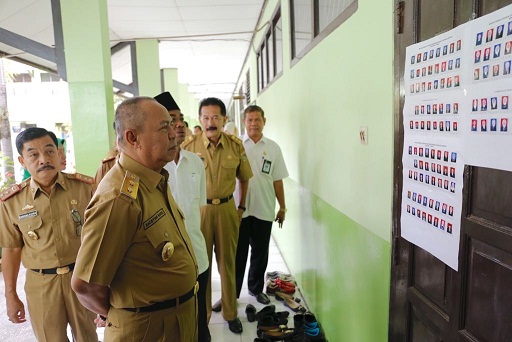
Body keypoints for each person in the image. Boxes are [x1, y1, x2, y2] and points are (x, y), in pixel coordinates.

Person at [71, 97, 198, 341]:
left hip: (175, 320)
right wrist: (126, 316)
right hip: (147, 330)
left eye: (172, 125)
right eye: (164, 127)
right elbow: (85, 285)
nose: (174, 133)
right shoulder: (119, 199)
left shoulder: (153, 178)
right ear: (132, 138)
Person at [0, 127, 97, 341]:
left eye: (50, 151)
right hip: (41, 285)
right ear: (22, 160)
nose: (43, 159)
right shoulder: (12, 202)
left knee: (88, 337)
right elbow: (12, 249)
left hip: (82, 279)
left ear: (60, 153)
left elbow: (103, 238)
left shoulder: (86, 189)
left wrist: (107, 285)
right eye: (33, 154)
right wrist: (10, 295)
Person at [181, 97, 253, 334]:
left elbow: (244, 178)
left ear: (224, 119)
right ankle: (204, 317)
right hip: (198, 212)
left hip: (226, 209)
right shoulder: (188, 147)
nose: (210, 122)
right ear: (200, 119)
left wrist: (241, 208)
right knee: (203, 266)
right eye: (205, 117)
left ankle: (231, 313)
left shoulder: (235, 146)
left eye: (215, 117)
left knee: (227, 264)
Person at [155, 91, 211, 342]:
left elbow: (199, 206)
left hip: (197, 253)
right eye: (169, 120)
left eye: (179, 119)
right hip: (166, 261)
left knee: (200, 320)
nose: (177, 124)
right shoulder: (152, 169)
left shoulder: (195, 163)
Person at [235, 105, 288, 306]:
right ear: (244, 122)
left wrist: (282, 207)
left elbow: (277, 180)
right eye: (250, 120)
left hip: (264, 209)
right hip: (240, 210)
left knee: (260, 252)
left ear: (264, 121)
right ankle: (232, 293)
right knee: (238, 254)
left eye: (257, 119)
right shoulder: (236, 144)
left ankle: (256, 289)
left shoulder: (273, 148)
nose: (254, 123)